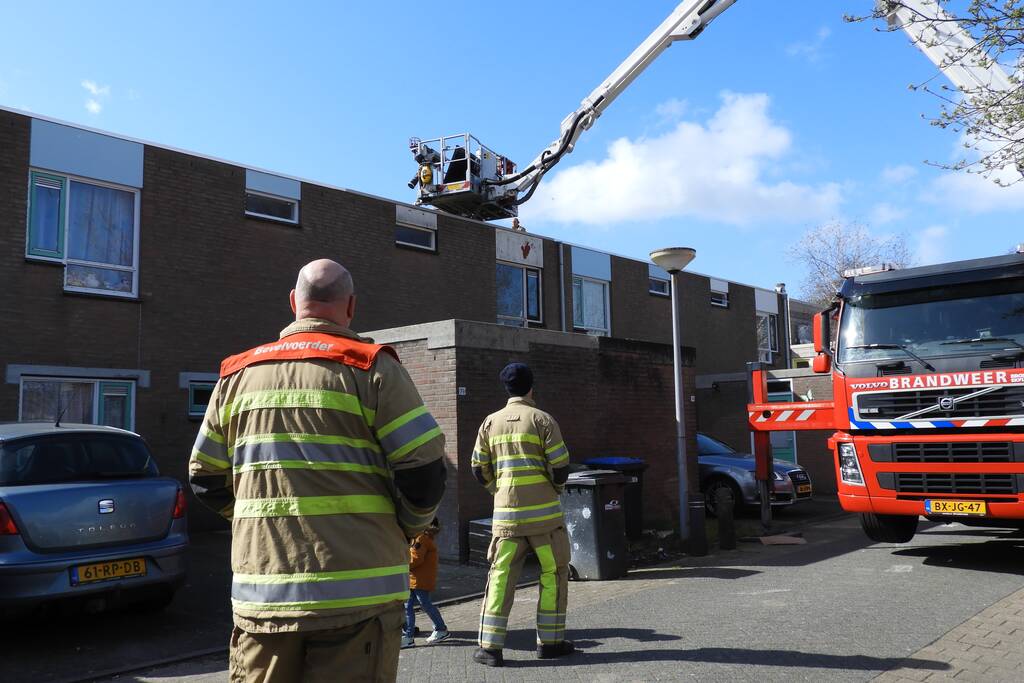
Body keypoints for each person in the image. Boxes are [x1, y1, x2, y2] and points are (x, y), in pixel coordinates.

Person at [188, 259, 446, 683]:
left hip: (264, 597)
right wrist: (405, 528)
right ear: (352, 306)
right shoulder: (372, 368)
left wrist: (255, 519)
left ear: (294, 302)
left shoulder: (237, 375)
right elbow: (425, 471)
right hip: (359, 598)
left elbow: (204, 477)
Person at [471, 363, 574, 668]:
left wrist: (497, 489)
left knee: (500, 578)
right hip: (545, 521)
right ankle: (551, 643)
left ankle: (490, 648)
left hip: (507, 520)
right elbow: (561, 466)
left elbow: (478, 467)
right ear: (531, 387)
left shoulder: (490, 422)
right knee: (553, 574)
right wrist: (554, 489)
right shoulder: (542, 420)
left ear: (507, 388)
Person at [401, 518, 450, 648]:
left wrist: (400, 564)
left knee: (423, 604)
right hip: (415, 578)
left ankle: (440, 629)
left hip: (419, 579)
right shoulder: (422, 537)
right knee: (409, 605)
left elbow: (416, 559)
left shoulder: (421, 538)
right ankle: (408, 636)